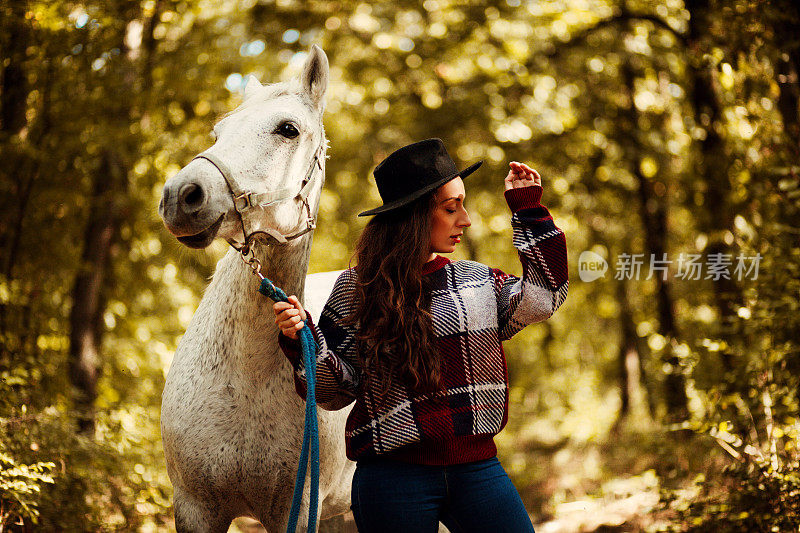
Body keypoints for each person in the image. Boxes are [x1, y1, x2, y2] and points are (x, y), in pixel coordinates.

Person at [273, 138, 568, 532]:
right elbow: (334, 392)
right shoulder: (355, 291)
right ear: (413, 216)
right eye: (451, 208)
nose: (465, 219)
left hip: (477, 470)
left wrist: (529, 210)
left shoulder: (478, 281)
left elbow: (544, 297)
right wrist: (302, 343)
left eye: (462, 205)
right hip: (392, 479)